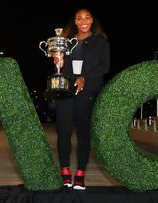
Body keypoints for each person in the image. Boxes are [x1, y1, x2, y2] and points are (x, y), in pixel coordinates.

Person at [52, 8, 110, 190]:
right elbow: (63, 67)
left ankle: (80, 174)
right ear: (75, 22)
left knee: (84, 132)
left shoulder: (100, 42)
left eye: (87, 17)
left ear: (92, 20)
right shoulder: (67, 41)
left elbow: (104, 67)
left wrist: (85, 77)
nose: (83, 21)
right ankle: (65, 171)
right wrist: (58, 62)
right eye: (79, 18)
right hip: (66, 90)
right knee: (63, 131)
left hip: (89, 90)